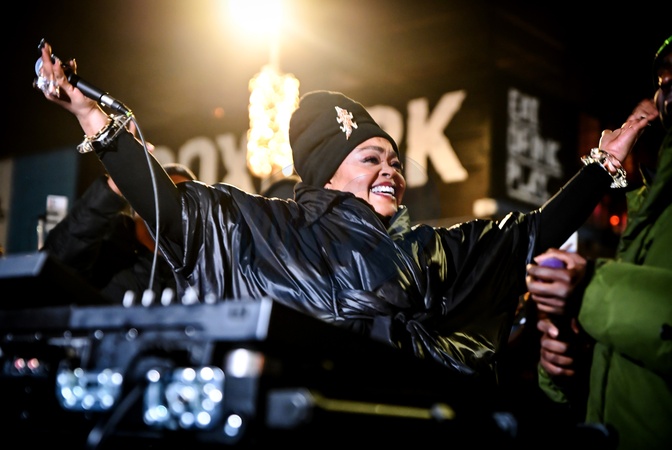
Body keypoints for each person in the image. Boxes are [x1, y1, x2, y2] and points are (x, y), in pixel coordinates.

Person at [32, 39, 656, 387]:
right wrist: (94, 119)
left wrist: (602, 165)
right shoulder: (257, 227)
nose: (391, 170)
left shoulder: (427, 251)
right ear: (326, 171)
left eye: (396, 161)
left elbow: (529, 233)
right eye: (371, 157)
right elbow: (170, 210)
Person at [525, 35, 672, 450]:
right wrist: (574, 364)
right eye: (662, 80)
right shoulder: (647, 213)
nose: (663, 90)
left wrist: (591, 287)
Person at [41, 155, 196, 304]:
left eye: (187, 202)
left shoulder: (193, 273)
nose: (175, 208)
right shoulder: (103, 247)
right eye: (167, 195)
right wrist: (112, 189)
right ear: (140, 201)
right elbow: (55, 266)